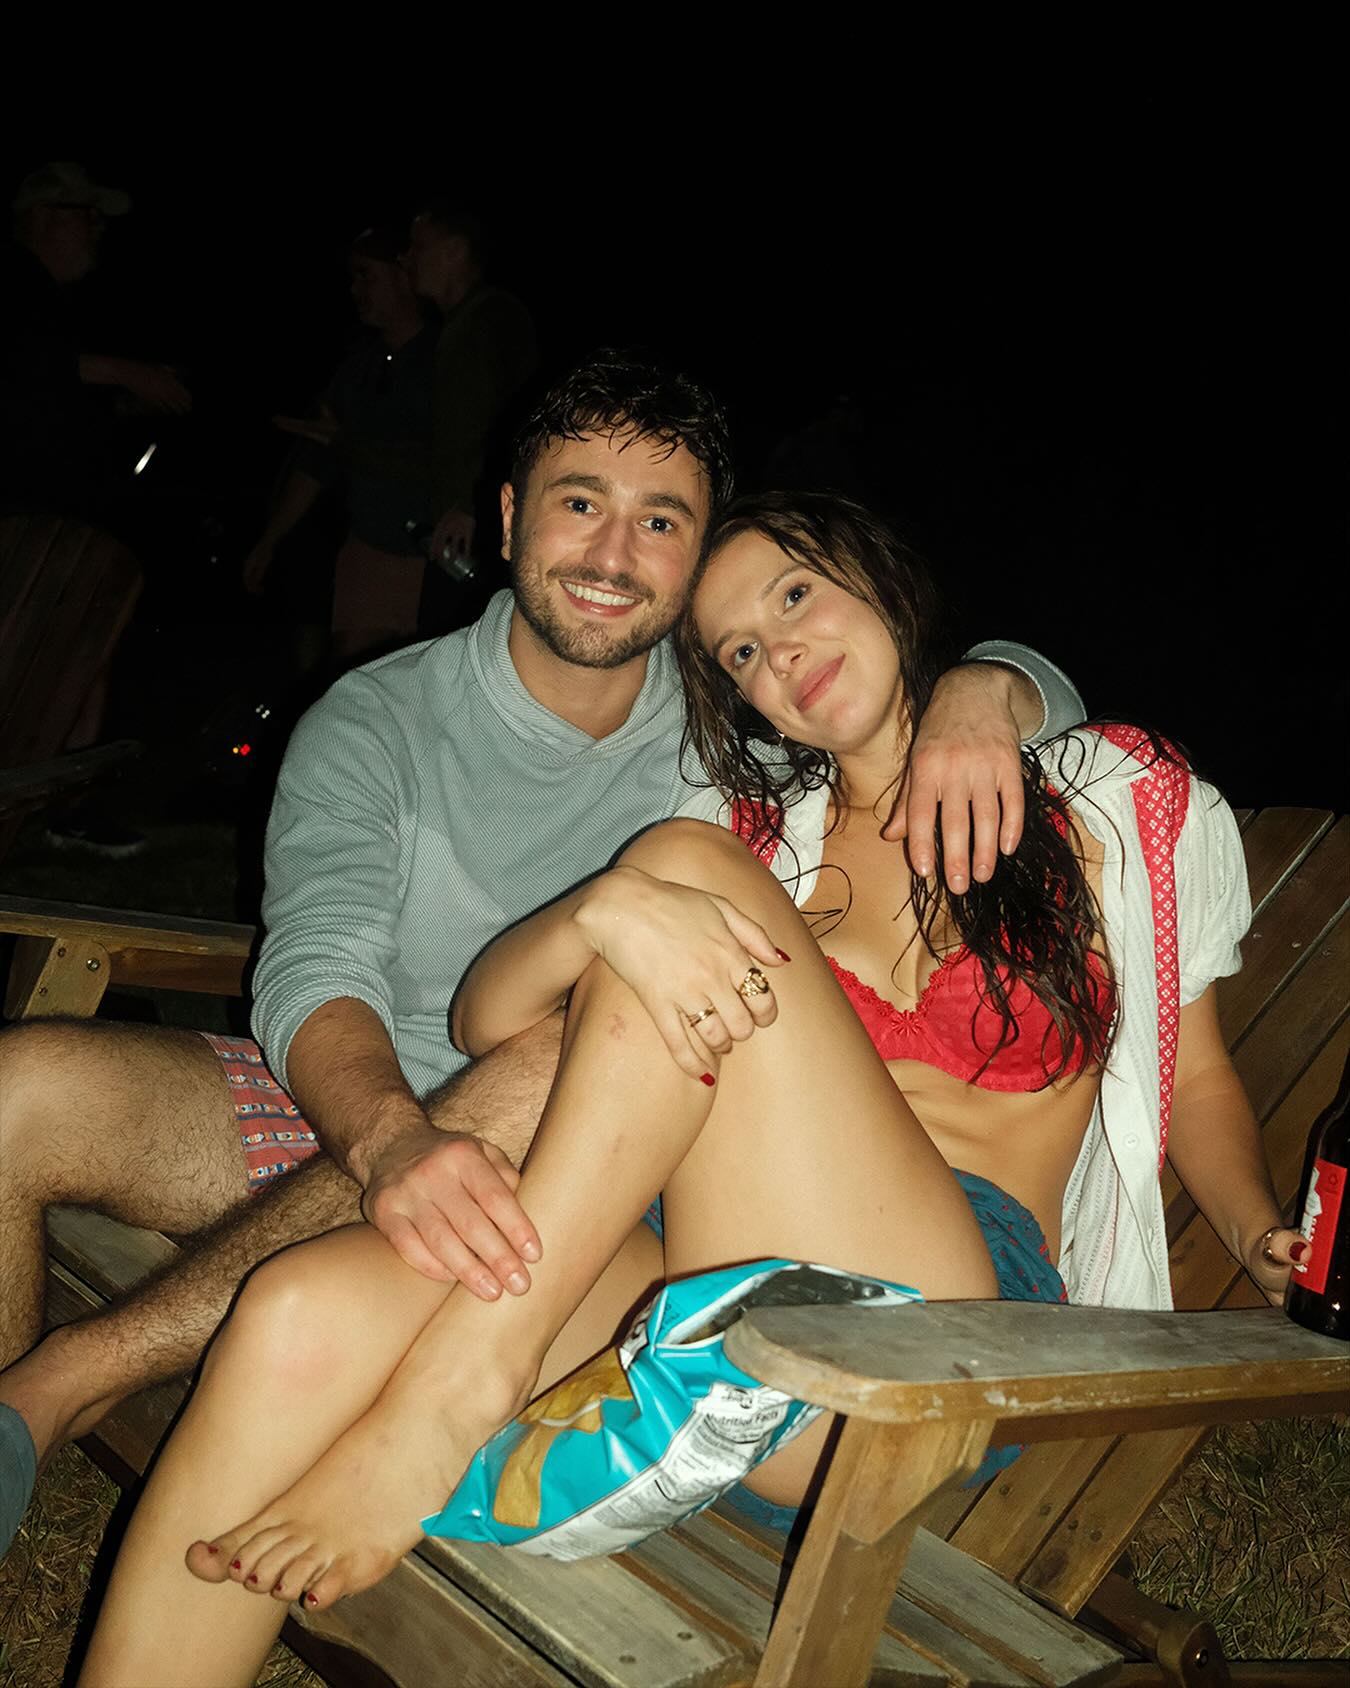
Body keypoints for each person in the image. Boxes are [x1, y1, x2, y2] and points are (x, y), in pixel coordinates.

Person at [75, 486, 1304, 1687]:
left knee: (680, 870)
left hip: (921, 1339)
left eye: (796, 596)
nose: (782, 655)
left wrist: (1260, 1237)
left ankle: (459, 1391)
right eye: (743, 651)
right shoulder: (764, 837)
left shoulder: (1102, 800)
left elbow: (1192, 1076)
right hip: (685, 1300)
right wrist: (609, 908)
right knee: (296, 1311)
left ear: (881, 579)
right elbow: (488, 1018)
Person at [0, 354, 1074, 1572]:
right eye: (579, 501)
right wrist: (391, 1141)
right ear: (510, 516)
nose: (613, 552)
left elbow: (941, 701)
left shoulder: (742, 739)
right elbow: (314, 968)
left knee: (563, 1044)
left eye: (660, 521)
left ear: (699, 558)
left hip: (548, 1171)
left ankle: (61, 1381)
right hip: (353, 1111)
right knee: (19, 1087)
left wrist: (991, 684)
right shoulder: (377, 718)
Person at [241, 222, 438, 663]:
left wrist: (351, 442)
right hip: (370, 547)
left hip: (435, 559)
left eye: (366, 275)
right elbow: (317, 458)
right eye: (353, 277)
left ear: (404, 274)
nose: (355, 289)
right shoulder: (357, 370)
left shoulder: (444, 359)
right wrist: (269, 540)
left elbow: (447, 456)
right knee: (353, 675)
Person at [404, 200, 537, 631]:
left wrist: (469, 504)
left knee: (462, 635)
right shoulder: (458, 324)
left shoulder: (489, 318)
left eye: (418, 247)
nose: (407, 259)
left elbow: (509, 420)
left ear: (454, 252)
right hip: (462, 522)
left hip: (479, 525)